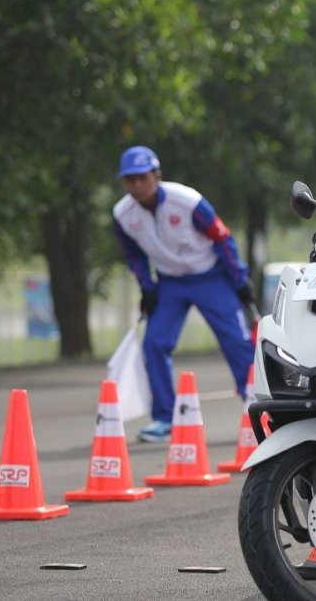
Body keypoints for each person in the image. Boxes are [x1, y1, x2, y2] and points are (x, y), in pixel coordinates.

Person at [112, 146, 256, 442]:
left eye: (142, 177)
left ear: (157, 176)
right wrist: (147, 288)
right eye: (130, 180)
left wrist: (239, 279)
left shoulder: (187, 201)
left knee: (237, 340)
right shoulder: (122, 214)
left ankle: (254, 406)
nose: (137, 185)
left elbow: (222, 238)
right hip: (170, 283)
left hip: (211, 277)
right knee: (154, 343)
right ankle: (165, 418)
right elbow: (134, 255)